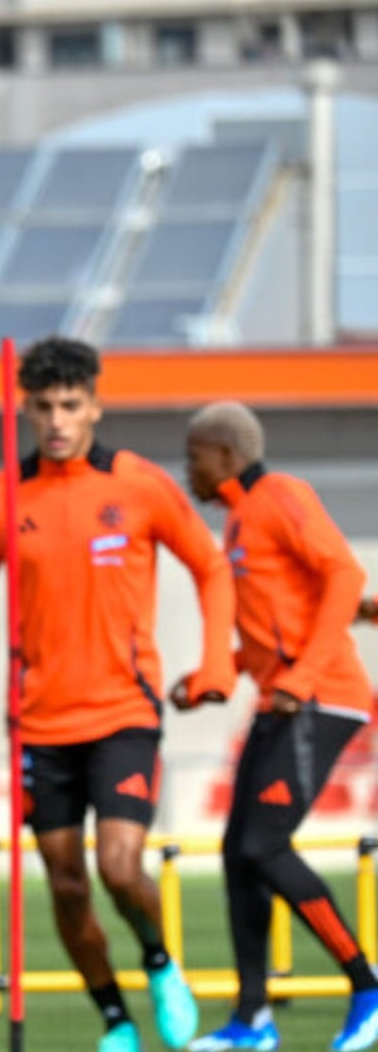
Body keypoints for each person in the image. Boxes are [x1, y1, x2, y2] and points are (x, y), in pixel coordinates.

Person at [0, 337, 234, 1052]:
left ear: (94, 404)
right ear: (25, 410)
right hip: (40, 724)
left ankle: (159, 963)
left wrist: (215, 662)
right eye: (44, 408)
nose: (58, 420)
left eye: (71, 405)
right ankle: (115, 1019)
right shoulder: (1, 499)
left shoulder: (141, 486)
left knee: (120, 867)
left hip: (124, 712)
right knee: (67, 887)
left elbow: (212, 569)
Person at [179, 402, 378, 1052]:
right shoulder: (238, 522)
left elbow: (345, 573)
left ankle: (368, 988)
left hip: (320, 699)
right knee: (239, 855)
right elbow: (277, 632)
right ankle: (252, 1021)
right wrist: (215, 675)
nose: (190, 471)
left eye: (195, 457)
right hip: (282, 701)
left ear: (225, 455)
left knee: (265, 846)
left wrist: (299, 678)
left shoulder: (281, 494)